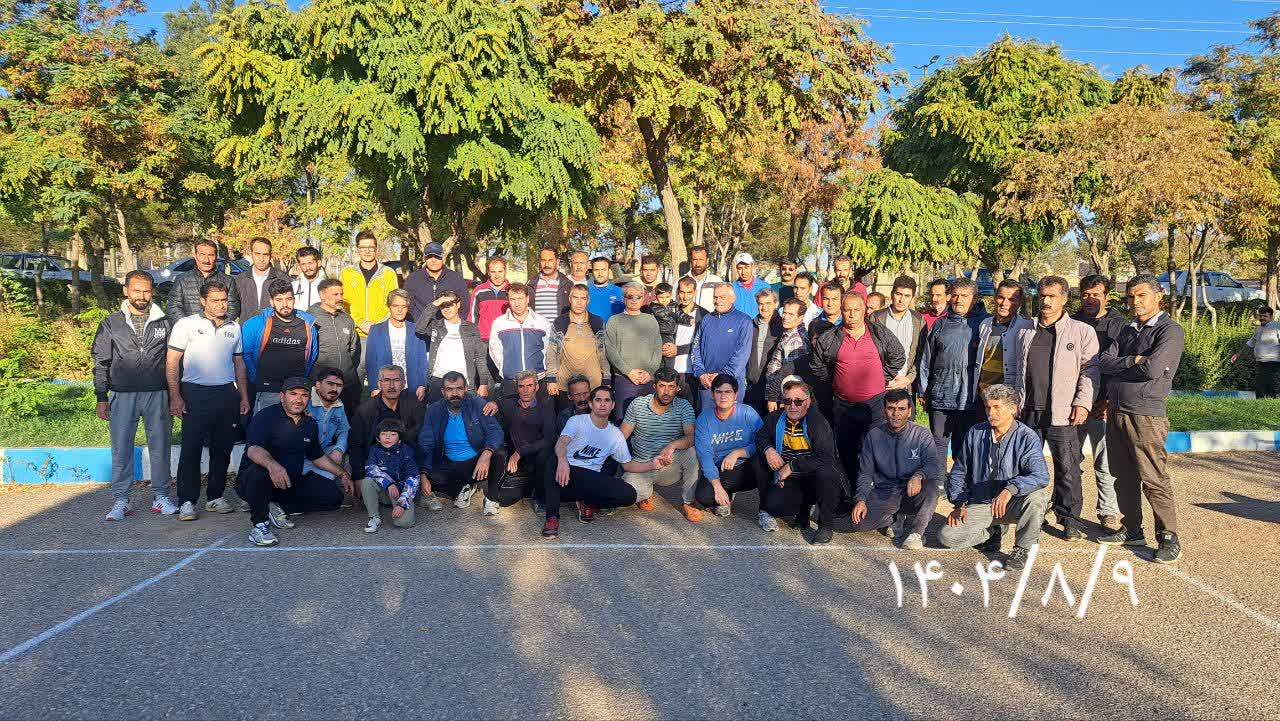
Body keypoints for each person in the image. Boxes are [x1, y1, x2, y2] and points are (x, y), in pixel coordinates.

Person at [1097, 274, 1186, 564]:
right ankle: (1132, 530)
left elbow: (1152, 370)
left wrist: (1126, 365)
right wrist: (1132, 360)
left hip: (1145, 414)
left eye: (1141, 295)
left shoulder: (1169, 331)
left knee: (1153, 477)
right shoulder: (1127, 329)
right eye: (1131, 296)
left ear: (1158, 296)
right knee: (1122, 475)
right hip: (1116, 411)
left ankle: (1168, 537)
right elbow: (1104, 362)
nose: (1135, 301)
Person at [1008, 276, 1098, 541]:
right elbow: (1014, 370)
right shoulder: (1025, 330)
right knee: (1026, 466)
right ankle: (1027, 514)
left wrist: (1082, 402)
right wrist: (1013, 402)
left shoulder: (1081, 331)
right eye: (1042, 296)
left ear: (1065, 299)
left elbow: (1090, 371)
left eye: (1052, 296)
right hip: (1028, 411)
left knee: (1068, 469)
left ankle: (1069, 520)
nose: (1046, 301)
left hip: (1063, 412)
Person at [938, 384, 1050, 571]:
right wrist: (959, 503)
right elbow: (959, 472)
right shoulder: (975, 432)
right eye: (988, 407)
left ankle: (1022, 549)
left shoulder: (1027, 437)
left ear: (1013, 409)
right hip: (982, 503)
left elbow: (1040, 475)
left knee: (1037, 498)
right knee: (947, 536)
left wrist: (1010, 489)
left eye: (997, 407)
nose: (991, 412)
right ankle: (993, 531)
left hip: (1012, 502)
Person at [93, 271, 177, 521]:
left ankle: (161, 496)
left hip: (157, 392)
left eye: (147, 291)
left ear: (152, 292)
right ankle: (121, 500)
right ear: (126, 291)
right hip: (122, 394)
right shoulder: (111, 323)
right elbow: (101, 361)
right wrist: (101, 396)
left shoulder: (165, 322)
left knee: (160, 447)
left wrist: (176, 394)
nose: (142, 295)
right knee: (121, 449)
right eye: (137, 290)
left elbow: (175, 361)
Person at [166, 280, 251, 522]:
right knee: (191, 449)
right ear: (203, 301)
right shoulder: (186, 324)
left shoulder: (234, 327)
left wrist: (243, 396)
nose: (221, 305)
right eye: (215, 300)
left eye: (224, 300)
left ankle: (215, 496)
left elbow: (239, 364)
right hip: (194, 393)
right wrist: (175, 396)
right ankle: (187, 501)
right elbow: (172, 361)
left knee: (222, 448)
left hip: (226, 394)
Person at [240, 377, 354, 546]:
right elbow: (253, 449)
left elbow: (317, 456)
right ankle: (260, 525)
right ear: (282, 397)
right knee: (258, 472)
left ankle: (276, 507)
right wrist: (274, 466)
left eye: (304, 395)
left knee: (333, 498)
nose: (299, 399)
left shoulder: (309, 423)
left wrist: (342, 473)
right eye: (293, 394)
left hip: (289, 482)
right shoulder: (266, 416)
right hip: (256, 481)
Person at [808, 291, 905, 485]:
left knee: (879, 451)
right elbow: (817, 365)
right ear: (841, 310)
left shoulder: (879, 333)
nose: (852, 314)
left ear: (864, 310)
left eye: (856, 309)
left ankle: (879, 493)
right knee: (847, 453)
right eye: (847, 310)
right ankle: (852, 492)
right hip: (844, 406)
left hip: (875, 405)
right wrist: (837, 380)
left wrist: (881, 377)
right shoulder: (829, 337)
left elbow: (898, 356)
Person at [543, 386, 665, 538]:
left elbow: (627, 465)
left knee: (629, 495)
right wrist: (562, 461)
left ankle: (588, 501)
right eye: (598, 400)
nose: (602, 404)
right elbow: (561, 443)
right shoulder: (577, 421)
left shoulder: (615, 435)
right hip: (566, 475)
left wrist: (652, 465)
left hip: (592, 479)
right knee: (552, 461)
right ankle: (552, 518)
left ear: (612, 405)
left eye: (607, 400)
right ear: (591, 404)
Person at [850, 389, 942, 550]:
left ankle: (917, 533)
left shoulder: (922, 434)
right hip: (886, 492)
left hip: (914, 491)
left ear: (909, 411)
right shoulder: (874, 436)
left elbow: (933, 465)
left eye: (901, 409)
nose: (896, 414)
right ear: (884, 410)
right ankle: (896, 517)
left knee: (932, 488)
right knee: (858, 523)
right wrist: (861, 499)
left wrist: (919, 475)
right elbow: (865, 473)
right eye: (891, 408)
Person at [755, 378, 845, 542]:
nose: (792, 406)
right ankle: (796, 510)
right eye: (787, 401)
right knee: (772, 503)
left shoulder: (817, 422)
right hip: (791, 479)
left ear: (808, 402)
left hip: (814, 479)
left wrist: (792, 466)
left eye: (798, 401)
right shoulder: (775, 418)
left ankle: (825, 525)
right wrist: (769, 450)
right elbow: (761, 436)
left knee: (828, 473)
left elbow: (826, 457)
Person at [1073, 274, 1128, 530]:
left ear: (1106, 296)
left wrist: (1107, 400)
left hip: (1103, 407)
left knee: (1105, 462)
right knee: (1070, 460)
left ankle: (1108, 511)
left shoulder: (1119, 326)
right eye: (1085, 294)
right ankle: (1065, 505)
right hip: (1074, 404)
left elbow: (1121, 366)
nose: (1090, 299)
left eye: (1096, 294)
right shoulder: (1071, 321)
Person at [918, 278, 990, 464]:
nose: (958, 299)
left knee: (964, 445)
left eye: (964, 296)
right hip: (941, 395)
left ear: (975, 298)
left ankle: (960, 480)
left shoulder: (985, 324)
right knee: (938, 444)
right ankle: (938, 479)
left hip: (970, 398)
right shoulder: (940, 324)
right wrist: (923, 390)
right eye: (955, 295)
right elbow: (927, 359)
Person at [417, 371, 508, 515]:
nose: (454, 393)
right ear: (443, 391)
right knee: (427, 476)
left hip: (476, 461)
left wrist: (486, 454)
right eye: (449, 389)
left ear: (466, 388)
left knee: (499, 454)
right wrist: (423, 475)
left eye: (459, 388)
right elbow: (426, 443)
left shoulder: (477, 404)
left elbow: (495, 432)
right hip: (450, 463)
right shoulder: (434, 410)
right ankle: (465, 487)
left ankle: (491, 498)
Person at [620, 368, 699, 520]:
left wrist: (672, 445)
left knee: (691, 452)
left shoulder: (684, 406)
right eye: (662, 386)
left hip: (669, 464)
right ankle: (646, 493)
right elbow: (621, 437)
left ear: (678, 388)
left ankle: (689, 502)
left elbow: (691, 437)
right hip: (641, 466)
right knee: (624, 497)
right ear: (654, 386)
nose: (667, 392)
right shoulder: (638, 405)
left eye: (671, 387)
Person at [242, 279, 319, 414]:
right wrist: (256, 378)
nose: (285, 304)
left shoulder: (308, 325)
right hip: (267, 390)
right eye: (279, 300)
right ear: (271, 302)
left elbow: (312, 355)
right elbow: (246, 355)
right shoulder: (255, 324)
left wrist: (303, 379)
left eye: (289, 299)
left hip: (297, 391)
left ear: (294, 299)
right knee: (264, 425)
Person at [348, 365, 425, 500]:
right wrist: (358, 477)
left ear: (403, 383)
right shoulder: (366, 410)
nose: (391, 385)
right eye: (386, 380)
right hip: (377, 464)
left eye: (396, 380)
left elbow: (424, 438)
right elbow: (356, 444)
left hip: (407, 462)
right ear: (379, 384)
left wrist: (423, 473)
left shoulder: (414, 405)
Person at [693, 374, 764, 518]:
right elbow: (705, 455)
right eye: (718, 392)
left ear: (735, 395)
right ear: (712, 395)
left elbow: (763, 441)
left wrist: (738, 452)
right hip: (721, 468)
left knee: (766, 461)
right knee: (704, 497)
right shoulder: (704, 419)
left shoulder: (747, 413)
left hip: (747, 465)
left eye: (728, 392)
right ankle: (727, 493)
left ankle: (766, 510)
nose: (723, 396)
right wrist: (717, 486)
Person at [498, 370, 558, 511]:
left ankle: (540, 497)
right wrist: (493, 403)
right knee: (505, 500)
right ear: (517, 388)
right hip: (518, 461)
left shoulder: (545, 407)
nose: (525, 390)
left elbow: (549, 439)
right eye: (521, 386)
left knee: (546, 454)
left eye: (529, 386)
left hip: (537, 456)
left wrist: (520, 451)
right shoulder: (509, 404)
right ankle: (528, 488)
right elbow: (496, 403)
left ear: (536, 387)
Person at [605, 281, 663, 418]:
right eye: (630, 296)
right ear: (624, 298)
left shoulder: (651, 320)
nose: (634, 300)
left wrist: (649, 372)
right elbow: (610, 350)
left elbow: (657, 348)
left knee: (648, 422)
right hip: (624, 379)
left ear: (643, 298)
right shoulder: (614, 321)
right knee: (624, 421)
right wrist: (629, 372)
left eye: (638, 296)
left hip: (648, 380)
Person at [691, 283, 753, 409]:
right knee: (708, 420)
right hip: (707, 384)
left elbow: (742, 355)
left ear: (732, 298)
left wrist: (722, 376)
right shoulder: (706, 319)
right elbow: (695, 348)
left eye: (722, 297)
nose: (718, 301)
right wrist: (701, 373)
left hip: (731, 385)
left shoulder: (744, 321)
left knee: (731, 420)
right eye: (715, 297)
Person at [488, 283, 554, 399]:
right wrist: (506, 368)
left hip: (538, 380)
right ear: (508, 300)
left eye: (520, 298)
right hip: (511, 381)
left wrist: (543, 371)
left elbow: (549, 350)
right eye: (513, 299)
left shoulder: (542, 322)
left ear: (527, 299)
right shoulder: (499, 323)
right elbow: (494, 350)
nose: (517, 303)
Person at [307, 278, 363, 410]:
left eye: (341, 294)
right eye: (335, 294)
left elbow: (354, 350)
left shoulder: (347, 319)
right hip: (320, 385)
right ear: (322, 295)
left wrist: (347, 370)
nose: (340, 298)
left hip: (347, 385)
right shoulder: (310, 319)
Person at [424, 291, 490, 401]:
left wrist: (483, 383)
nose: (446, 309)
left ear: (458, 305)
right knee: (437, 412)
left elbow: (480, 357)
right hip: (438, 380)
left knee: (466, 412)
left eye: (449, 305)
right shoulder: (435, 325)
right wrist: (435, 304)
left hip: (464, 381)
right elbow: (420, 328)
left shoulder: (471, 328)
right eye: (442, 306)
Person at [364, 289, 428, 401]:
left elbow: (422, 360)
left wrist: (422, 384)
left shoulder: (416, 330)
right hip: (384, 388)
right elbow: (371, 362)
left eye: (403, 306)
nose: (399, 310)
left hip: (411, 387)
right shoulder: (376, 330)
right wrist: (374, 387)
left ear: (408, 308)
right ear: (389, 307)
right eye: (395, 306)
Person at [547, 284, 609, 397]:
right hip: (565, 386)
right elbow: (552, 351)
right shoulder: (560, 322)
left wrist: (607, 379)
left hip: (593, 386)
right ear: (570, 299)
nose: (579, 302)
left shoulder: (597, 322)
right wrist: (551, 379)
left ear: (588, 301)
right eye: (575, 297)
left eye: (583, 298)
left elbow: (603, 353)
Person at [870, 275, 924, 395]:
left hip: (906, 386)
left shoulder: (918, 320)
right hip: (880, 385)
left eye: (907, 296)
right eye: (898, 294)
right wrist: (882, 377)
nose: (901, 300)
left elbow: (921, 353)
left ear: (912, 298)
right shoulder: (876, 318)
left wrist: (909, 378)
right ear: (892, 294)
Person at [362, 418, 419, 532]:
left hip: (401, 491)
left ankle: (399, 506)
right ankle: (374, 517)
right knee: (367, 481)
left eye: (393, 434)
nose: (387, 438)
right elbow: (370, 469)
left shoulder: (407, 452)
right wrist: (389, 483)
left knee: (404, 523)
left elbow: (413, 479)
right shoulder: (374, 450)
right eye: (384, 434)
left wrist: (402, 504)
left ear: (400, 439)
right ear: (378, 438)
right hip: (385, 490)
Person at [340, 230, 399, 338]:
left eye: (371, 247)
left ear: (376, 249)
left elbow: (393, 302)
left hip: (381, 331)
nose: (367, 251)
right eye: (363, 247)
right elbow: (343, 303)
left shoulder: (388, 273)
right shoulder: (346, 273)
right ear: (358, 249)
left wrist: (376, 324)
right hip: (353, 332)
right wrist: (360, 322)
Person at [977, 280, 1032, 394]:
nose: (1004, 303)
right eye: (1001, 297)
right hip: (982, 392)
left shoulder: (1025, 328)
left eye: (1012, 299)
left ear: (1020, 303)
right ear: (995, 298)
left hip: (1007, 395)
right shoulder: (984, 324)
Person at [166, 238, 241, 322]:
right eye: (202, 255)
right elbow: (173, 307)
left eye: (211, 255)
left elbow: (233, 309)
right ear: (195, 255)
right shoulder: (182, 279)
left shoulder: (228, 281)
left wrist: (218, 325)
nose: (206, 260)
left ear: (216, 257)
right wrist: (188, 325)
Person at [403, 242, 469, 330]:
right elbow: (408, 306)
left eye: (437, 256)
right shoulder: (413, 279)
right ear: (424, 258)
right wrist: (418, 323)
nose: (433, 260)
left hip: (448, 330)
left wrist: (454, 326)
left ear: (443, 257)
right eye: (429, 256)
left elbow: (464, 306)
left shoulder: (456, 278)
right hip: (419, 330)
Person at [304, 368, 350, 487]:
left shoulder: (339, 404)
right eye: (330, 384)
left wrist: (339, 449)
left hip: (324, 450)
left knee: (350, 460)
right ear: (318, 385)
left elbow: (343, 430)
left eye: (339, 385)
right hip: (302, 455)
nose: (334, 389)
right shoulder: (305, 400)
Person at [764, 297, 810, 412]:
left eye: (791, 314)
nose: (785, 317)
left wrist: (781, 400)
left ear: (800, 317)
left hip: (782, 400)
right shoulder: (788, 333)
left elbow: (793, 378)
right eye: (784, 312)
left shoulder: (796, 340)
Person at [667, 277, 706, 402]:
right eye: (682, 292)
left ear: (695, 292)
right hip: (671, 369)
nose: (685, 297)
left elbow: (703, 344)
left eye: (689, 292)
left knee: (689, 409)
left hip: (691, 371)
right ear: (678, 292)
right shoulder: (671, 311)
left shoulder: (704, 315)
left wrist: (678, 350)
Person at [235, 237, 291, 322]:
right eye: (257, 254)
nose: (261, 259)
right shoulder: (240, 280)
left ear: (270, 255)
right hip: (247, 328)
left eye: (265, 254)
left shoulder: (282, 279)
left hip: (273, 328)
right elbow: (235, 308)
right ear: (251, 254)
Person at [744, 288, 782, 410]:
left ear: (776, 304)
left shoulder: (782, 326)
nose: (764, 307)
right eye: (761, 304)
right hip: (753, 383)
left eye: (768, 303)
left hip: (773, 385)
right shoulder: (750, 325)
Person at [468, 256, 511, 342]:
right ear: (488, 272)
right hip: (484, 339)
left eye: (500, 271)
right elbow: (472, 317)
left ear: (505, 271)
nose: (497, 276)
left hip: (507, 338)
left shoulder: (512, 291)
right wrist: (472, 338)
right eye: (493, 272)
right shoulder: (479, 291)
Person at [1240, 306, 1280, 398]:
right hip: (1260, 361)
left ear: (1271, 317)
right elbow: (1252, 341)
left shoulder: (1277, 326)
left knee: (1271, 385)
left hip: (1273, 362)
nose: (1262, 318)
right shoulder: (1259, 328)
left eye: (1265, 316)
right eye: (1260, 316)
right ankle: (1260, 401)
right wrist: (1239, 353)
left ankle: (1272, 401)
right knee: (1260, 384)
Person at [530, 247, 575, 321]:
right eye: (543, 260)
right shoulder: (531, 284)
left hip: (560, 327)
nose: (546, 264)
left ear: (557, 262)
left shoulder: (568, 284)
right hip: (537, 328)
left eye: (550, 260)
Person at [682, 245, 722, 311]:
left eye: (701, 259)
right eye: (695, 260)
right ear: (691, 261)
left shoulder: (717, 281)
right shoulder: (680, 282)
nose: (698, 264)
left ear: (707, 260)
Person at [586, 256, 624, 322]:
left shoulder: (619, 291)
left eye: (603, 270)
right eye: (596, 270)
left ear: (609, 271)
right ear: (592, 272)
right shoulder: (585, 292)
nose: (600, 274)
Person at [730, 252, 762, 318]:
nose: (743, 272)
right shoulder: (731, 289)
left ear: (752, 266)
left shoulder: (764, 287)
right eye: (740, 268)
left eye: (746, 267)